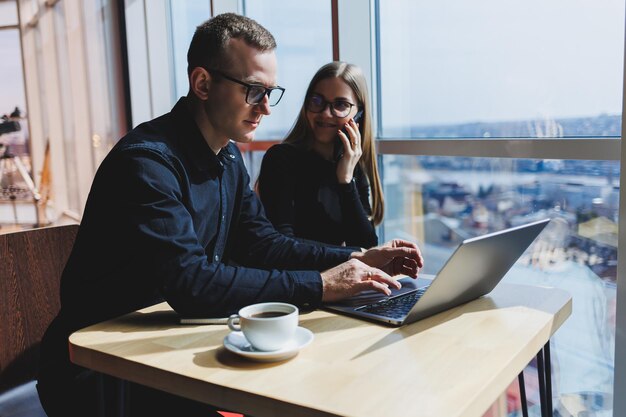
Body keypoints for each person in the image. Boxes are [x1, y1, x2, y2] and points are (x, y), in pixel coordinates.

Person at [37, 13, 423, 417]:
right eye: (254, 91)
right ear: (203, 83)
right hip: (102, 372)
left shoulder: (227, 157)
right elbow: (192, 283)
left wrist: (353, 258)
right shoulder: (146, 164)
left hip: (165, 347)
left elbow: (263, 244)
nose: (266, 109)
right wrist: (321, 285)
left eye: (269, 93)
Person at [257, 62, 382, 249]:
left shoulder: (352, 169)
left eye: (340, 104)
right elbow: (284, 244)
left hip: (337, 276)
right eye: (317, 101)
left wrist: (346, 180)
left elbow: (366, 247)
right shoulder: (281, 159)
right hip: (298, 278)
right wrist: (346, 256)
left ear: (359, 114)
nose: (325, 113)